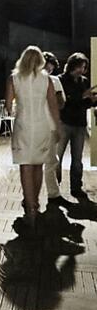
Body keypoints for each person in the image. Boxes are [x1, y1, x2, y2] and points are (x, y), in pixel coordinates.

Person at [5, 46, 62, 226]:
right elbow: (53, 105)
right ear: (40, 61)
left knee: (25, 167)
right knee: (38, 165)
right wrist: (57, 127)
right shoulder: (47, 80)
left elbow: (8, 106)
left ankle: (30, 208)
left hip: (23, 126)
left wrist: (16, 107)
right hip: (42, 126)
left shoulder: (14, 78)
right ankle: (35, 204)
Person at [56, 52, 97, 201]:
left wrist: (92, 100)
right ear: (72, 65)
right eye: (79, 66)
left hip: (79, 124)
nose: (82, 70)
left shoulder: (83, 81)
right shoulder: (61, 80)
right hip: (64, 122)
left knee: (77, 159)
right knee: (57, 157)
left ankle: (76, 187)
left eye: (84, 67)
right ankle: (55, 188)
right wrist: (82, 96)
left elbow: (84, 104)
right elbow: (63, 103)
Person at [42, 51, 70, 208]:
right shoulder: (54, 81)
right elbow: (61, 103)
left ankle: (29, 197)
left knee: (32, 164)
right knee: (50, 162)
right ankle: (53, 194)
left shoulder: (26, 80)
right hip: (49, 126)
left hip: (31, 127)